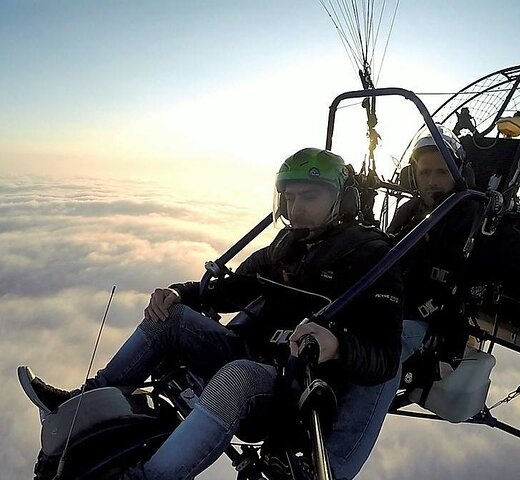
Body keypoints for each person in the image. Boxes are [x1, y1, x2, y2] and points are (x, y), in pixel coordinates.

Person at [21, 148, 402, 479]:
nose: (295, 207)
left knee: (237, 377)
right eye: (289, 196)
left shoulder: (370, 256)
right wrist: (178, 292)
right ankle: (84, 401)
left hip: (294, 387)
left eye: (310, 196)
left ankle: (148, 478)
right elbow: (230, 290)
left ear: (344, 201)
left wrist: (338, 347)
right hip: (251, 352)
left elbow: (385, 359)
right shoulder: (286, 247)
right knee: (170, 317)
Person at [388, 127, 520, 364]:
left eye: (442, 172)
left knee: (381, 344)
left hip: (426, 331)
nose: (432, 182)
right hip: (390, 309)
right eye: (425, 173)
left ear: (461, 175)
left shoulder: (481, 225)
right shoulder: (409, 217)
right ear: (412, 176)